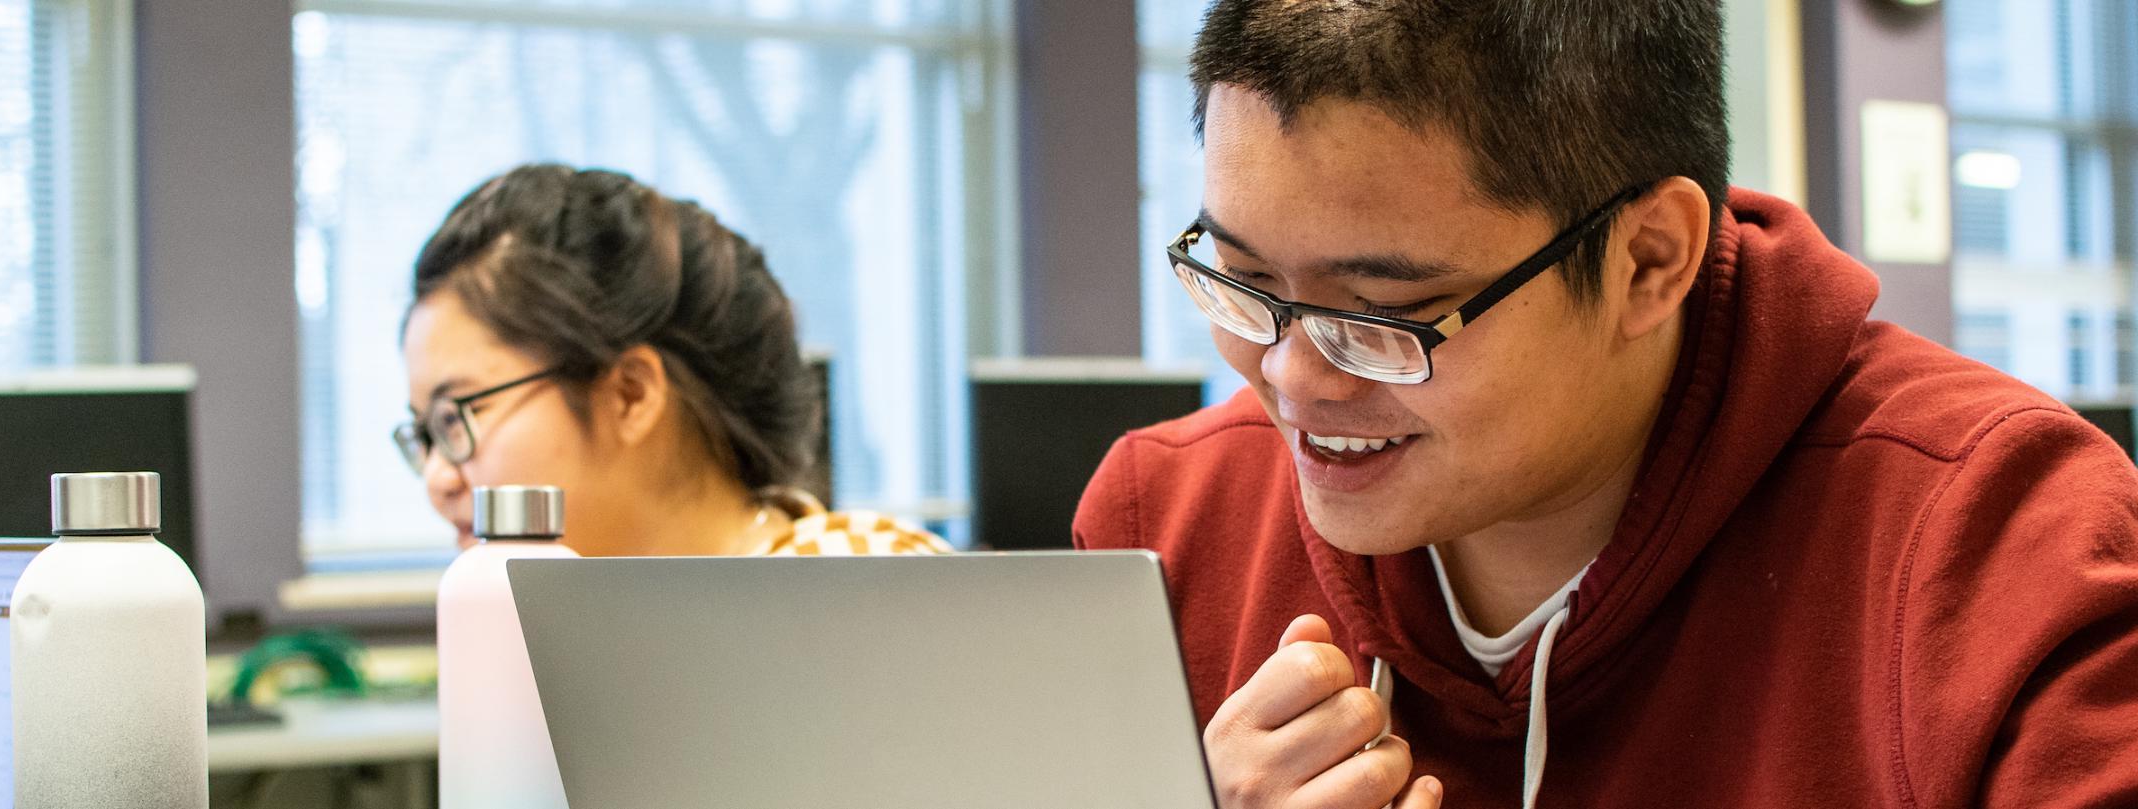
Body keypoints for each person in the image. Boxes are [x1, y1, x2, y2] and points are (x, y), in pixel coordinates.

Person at [1073, 2, 2138, 808]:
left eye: (1385, 311)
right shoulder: (1162, 526)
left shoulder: (2003, 546)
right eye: (1246, 282)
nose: (1294, 378)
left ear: (1649, 261)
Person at [398, 163, 946, 558]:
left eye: (455, 417)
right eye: (425, 435)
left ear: (630, 394)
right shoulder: (594, 639)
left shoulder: (858, 589)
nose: (438, 478)